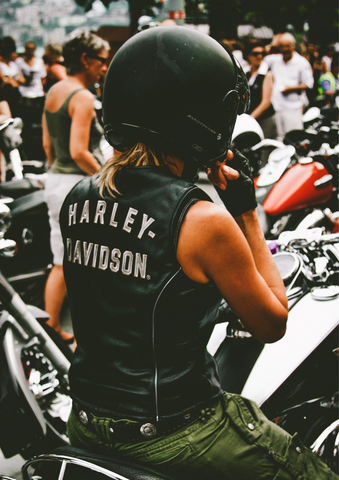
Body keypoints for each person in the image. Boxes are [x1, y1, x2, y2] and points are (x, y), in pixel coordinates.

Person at [60, 27, 335, 479]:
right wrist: (247, 212)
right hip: (176, 431)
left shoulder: (80, 198)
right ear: (199, 116)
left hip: (87, 422)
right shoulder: (202, 220)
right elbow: (272, 322)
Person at [42, 28, 109, 343]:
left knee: (61, 260)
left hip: (55, 181)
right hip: (77, 185)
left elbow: (48, 146)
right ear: (85, 59)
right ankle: (88, 336)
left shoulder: (54, 91)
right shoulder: (82, 97)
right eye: (101, 60)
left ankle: (51, 326)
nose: (104, 67)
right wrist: (106, 176)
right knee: (88, 263)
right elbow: (79, 151)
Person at [265, 32, 314, 141]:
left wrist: (291, 88)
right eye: (282, 46)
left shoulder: (301, 62)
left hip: (293, 109)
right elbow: (262, 55)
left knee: (294, 139)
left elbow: (309, 84)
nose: (285, 49)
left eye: (288, 46)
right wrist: (273, 43)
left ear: (293, 46)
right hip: (277, 109)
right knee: (279, 139)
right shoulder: (275, 60)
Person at [245, 42, 277, 140]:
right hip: (251, 119)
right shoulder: (247, 73)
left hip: (264, 120)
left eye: (262, 53)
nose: (259, 56)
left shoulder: (267, 74)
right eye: (255, 54)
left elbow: (265, 103)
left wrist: (248, 119)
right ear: (249, 56)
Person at [16, 40, 46, 125]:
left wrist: (42, 89)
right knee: (27, 118)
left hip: (38, 93)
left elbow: (43, 77)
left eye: (31, 49)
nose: (30, 51)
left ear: (35, 50)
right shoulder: (19, 61)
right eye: (28, 49)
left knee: (38, 117)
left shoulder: (39, 61)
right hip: (25, 93)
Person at [0, 36, 25, 117]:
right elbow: (8, 82)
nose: (16, 54)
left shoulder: (13, 65)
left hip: (16, 97)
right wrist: (13, 80)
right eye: (14, 52)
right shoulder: (1, 65)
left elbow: (22, 80)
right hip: (6, 97)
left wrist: (11, 79)